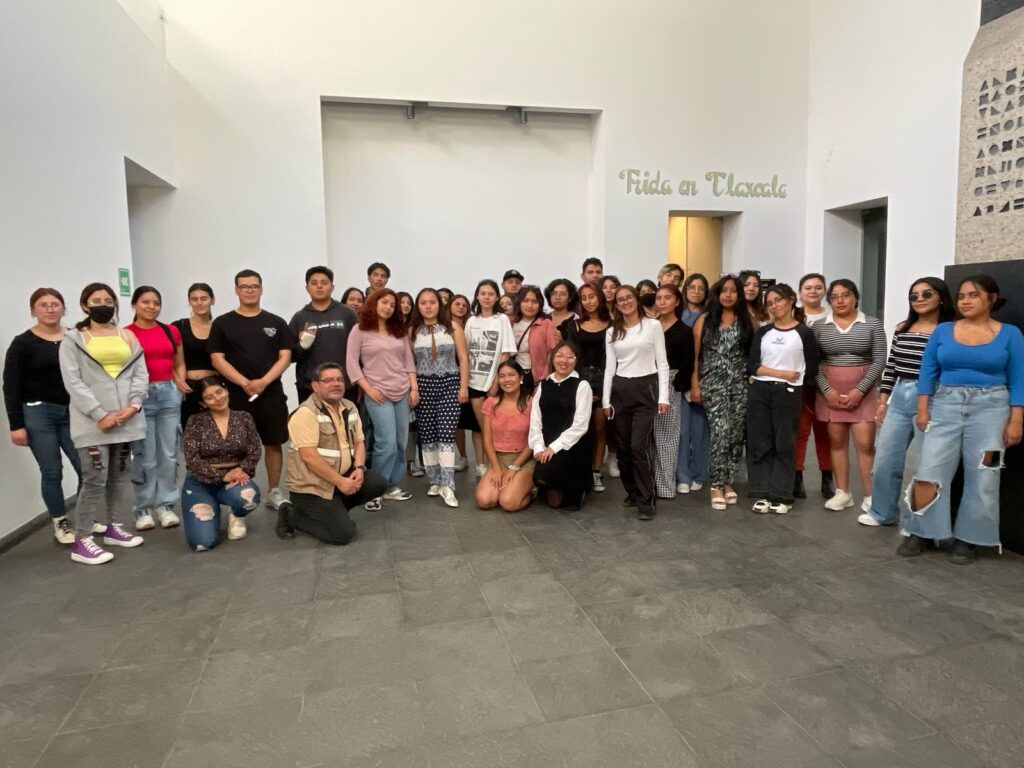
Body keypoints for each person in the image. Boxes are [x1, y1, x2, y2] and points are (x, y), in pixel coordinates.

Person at [901, 275, 1024, 563]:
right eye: (961, 296)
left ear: (992, 298)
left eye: (974, 295)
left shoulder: (1010, 334)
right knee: (929, 469)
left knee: (985, 474)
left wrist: (1016, 420)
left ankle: (970, 539)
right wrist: (923, 409)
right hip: (945, 404)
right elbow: (927, 371)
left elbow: (1019, 379)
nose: (966, 301)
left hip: (992, 409)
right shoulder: (943, 331)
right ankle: (921, 531)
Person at [58, 283, 147, 565]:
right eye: (96, 301)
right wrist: (99, 414)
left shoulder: (128, 336)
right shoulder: (73, 340)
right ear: (85, 305)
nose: (103, 305)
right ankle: (82, 540)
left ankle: (113, 528)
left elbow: (140, 373)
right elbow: (73, 382)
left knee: (120, 476)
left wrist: (133, 406)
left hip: (126, 420)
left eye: (108, 300)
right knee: (95, 479)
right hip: (93, 424)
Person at [859, 277, 954, 527]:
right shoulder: (903, 328)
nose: (919, 299)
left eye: (926, 294)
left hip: (933, 397)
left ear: (941, 297)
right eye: (914, 296)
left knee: (927, 463)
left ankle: (919, 522)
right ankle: (883, 512)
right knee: (885, 460)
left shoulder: (950, 331)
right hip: (900, 396)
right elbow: (891, 366)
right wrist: (883, 402)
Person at [208, 269, 294, 511]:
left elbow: (285, 357)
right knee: (235, 446)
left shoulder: (276, 322)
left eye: (254, 286)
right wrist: (245, 383)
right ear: (236, 290)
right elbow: (217, 359)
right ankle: (236, 492)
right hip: (236, 395)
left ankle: (274, 490)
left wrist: (263, 382)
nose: (249, 290)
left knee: (274, 442)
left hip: (271, 393)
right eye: (244, 286)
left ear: (261, 289)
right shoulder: (222, 323)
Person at [3, 288, 82, 543]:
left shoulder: (75, 338)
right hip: (38, 413)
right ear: (33, 310)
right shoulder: (22, 343)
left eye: (55, 304)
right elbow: (11, 386)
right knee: (52, 471)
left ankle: (86, 515)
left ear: (63, 308)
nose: (50, 309)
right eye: (43, 305)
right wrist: (16, 425)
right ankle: (61, 522)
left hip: (73, 413)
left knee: (86, 467)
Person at [283, 363, 389, 544]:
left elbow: (359, 442)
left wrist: (359, 468)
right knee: (342, 535)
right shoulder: (306, 413)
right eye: (328, 380)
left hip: (339, 477)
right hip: (312, 487)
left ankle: (334, 513)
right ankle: (292, 515)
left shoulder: (349, 406)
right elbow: (309, 457)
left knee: (377, 483)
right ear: (315, 386)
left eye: (339, 379)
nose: (336, 384)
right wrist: (340, 482)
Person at [813, 279, 886, 512]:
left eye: (845, 295)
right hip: (830, 392)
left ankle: (872, 495)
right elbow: (813, 362)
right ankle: (843, 492)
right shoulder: (819, 327)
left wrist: (860, 390)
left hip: (863, 392)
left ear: (855, 297)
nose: (840, 301)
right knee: (836, 443)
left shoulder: (872, 324)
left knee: (865, 444)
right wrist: (827, 390)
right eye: (834, 297)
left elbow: (879, 360)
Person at [746, 284, 819, 514]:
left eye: (778, 300)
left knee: (784, 443)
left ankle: (781, 494)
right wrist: (781, 373)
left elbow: (812, 368)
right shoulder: (763, 332)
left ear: (791, 300)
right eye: (769, 303)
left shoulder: (804, 333)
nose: (774, 306)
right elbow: (752, 365)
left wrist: (789, 380)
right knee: (760, 442)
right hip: (760, 391)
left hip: (788, 393)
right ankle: (761, 492)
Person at [604, 285, 670, 520]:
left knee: (638, 446)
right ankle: (632, 491)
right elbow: (610, 368)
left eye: (628, 298)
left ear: (637, 300)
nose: (625, 302)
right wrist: (605, 401)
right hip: (621, 391)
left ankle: (646, 499)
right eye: (620, 300)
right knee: (623, 448)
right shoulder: (612, 332)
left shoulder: (652, 326)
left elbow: (662, 363)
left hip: (646, 389)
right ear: (616, 305)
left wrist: (663, 397)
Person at [346, 288, 418, 506]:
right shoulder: (360, 330)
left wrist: (414, 388)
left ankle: (391, 485)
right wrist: (368, 389)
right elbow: (351, 362)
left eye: (392, 305)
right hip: (378, 394)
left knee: (400, 442)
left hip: (402, 391)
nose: (388, 307)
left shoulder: (399, 331)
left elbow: (408, 361)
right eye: (384, 302)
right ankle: (374, 490)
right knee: (385, 443)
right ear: (374, 303)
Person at [126, 286, 187, 530]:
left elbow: (179, 362)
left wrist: (180, 386)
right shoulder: (126, 334)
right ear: (134, 304)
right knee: (145, 456)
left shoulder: (170, 330)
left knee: (169, 454)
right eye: (145, 302)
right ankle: (143, 509)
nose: (151, 307)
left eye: (156, 302)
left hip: (168, 393)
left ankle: (166, 506)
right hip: (140, 397)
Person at [691, 276, 753, 510]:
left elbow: (750, 354)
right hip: (713, 382)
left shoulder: (746, 321)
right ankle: (716, 484)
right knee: (720, 431)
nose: (728, 295)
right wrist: (695, 384)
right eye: (724, 290)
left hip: (739, 383)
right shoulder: (705, 320)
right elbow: (695, 356)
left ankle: (728, 481)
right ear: (716, 294)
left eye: (733, 291)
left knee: (736, 434)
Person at [181, 376, 262, 550]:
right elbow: (192, 458)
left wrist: (242, 470)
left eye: (219, 392)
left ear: (226, 390)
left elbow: (255, 449)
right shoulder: (194, 422)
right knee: (202, 543)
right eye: (210, 397)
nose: (218, 398)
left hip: (235, 478)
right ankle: (211, 508)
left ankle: (237, 514)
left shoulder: (244, 417)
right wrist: (222, 476)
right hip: (201, 481)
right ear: (203, 403)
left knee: (249, 497)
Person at [410, 288, 469, 507]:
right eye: (423, 302)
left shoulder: (453, 327)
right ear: (418, 306)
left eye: (432, 302)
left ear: (440, 304)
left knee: (446, 432)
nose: (428, 306)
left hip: (449, 383)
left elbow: (463, 358)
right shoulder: (412, 331)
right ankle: (434, 480)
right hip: (423, 386)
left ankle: (448, 485)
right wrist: (413, 388)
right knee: (427, 434)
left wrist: (463, 387)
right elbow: (409, 363)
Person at [531, 341, 594, 510]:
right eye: (559, 356)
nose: (564, 361)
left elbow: (581, 425)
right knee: (552, 498)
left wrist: (554, 447)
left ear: (576, 360)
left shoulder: (582, 385)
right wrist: (538, 447)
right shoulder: (543, 385)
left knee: (568, 505)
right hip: (547, 444)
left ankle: (580, 487)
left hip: (571, 445)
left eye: (569, 357)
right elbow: (535, 420)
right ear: (552, 359)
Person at [564, 282, 612, 492]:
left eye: (591, 296)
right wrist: (582, 388)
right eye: (584, 298)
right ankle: (580, 471)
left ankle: (596, 472)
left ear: (600, 297)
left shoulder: (612, 324)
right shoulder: (574, 325)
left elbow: (613, 358)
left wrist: (601, 389)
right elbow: (571, 357)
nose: (588, 301)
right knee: (579, 428)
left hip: (604, 377)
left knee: (600, 429)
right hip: (581, 379)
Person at [465, 279, 516, 476]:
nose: (486, 297)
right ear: (477, 296)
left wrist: (496, 381)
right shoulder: (471, 321)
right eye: (483, 293)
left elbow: (506, 352)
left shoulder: (501, 319)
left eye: (491, 294)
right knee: (479, 427)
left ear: (496, 297)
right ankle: (482, 465)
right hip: (473, 382)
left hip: (493, 382)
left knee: (494, 426)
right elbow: (466, 352)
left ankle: (496, 465)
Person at [289, 266, 358, 404]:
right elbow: (291, 357)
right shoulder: (299, 318)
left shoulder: (347, 314)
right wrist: (304, 344)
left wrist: (360, 381)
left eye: (324, 283)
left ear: (332, 287)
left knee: (345, 419)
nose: (319, 286)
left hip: (344, 386)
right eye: (314, 283)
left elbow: (359, 351)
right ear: (307, 288)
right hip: (309, 387)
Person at [793, 273, 834, 499]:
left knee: (824, 431)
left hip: (826, 381)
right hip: (799, 382)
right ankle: (796, 477)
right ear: (800, 292)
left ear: (824, 291)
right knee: (800, 431)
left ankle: (827, 477)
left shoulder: (832, 316)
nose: (813, 291)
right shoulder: (793, 315)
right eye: (808, 287)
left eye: (818, 287)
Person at [476, 360, 536, 512]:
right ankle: (509, 488)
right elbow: (487, 440)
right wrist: (496, 468)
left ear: (520, 377)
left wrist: (513, 469)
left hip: (523, 460)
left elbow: (533, 441)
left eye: (511, 375)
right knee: (484, 500)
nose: (506, 379)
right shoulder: (490, 403)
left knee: (508, 503)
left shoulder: (531, 403)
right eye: (502, 376)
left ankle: (531, 491)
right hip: (498, 459)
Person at [653, 285, 694, 499]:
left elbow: (688, 363)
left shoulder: (684, 330)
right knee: (646, 436)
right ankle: (647, 485)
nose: (662, 302)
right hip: (646, 381)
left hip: (671, 383)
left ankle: (665, 487)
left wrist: (677, 385)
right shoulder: (650, 326)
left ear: (677, 301)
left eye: (667, 298)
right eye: (659, 298)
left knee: (668, 437)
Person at [678, 273, 710, 493]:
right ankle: (682, 475)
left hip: (704, 377)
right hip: (679, 379)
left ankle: (699, 473)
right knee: (681, 431)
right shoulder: (677, 314)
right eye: (692, 287)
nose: (696, 292)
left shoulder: (711, 316)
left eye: (701, 288)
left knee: (700, 431)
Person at [172, 283, 216, 427]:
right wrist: (179, 381)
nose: (199, 303)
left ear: (212, 300)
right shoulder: (179, 326)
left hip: (214, 388)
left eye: (204, 298)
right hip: (187, 388)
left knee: (215, 433)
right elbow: (168, 359)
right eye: (194, 299)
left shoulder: (220, 327)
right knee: (189, 431)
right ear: (189, 301)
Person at [512, 285, 558, 390]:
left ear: (540, 304)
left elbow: (552, 353)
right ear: (519, 302)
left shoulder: (546, 324)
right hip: (515, 373)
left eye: (534, 302)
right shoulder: (512, 324)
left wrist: (544, 378)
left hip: (538, 377)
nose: (530, 305)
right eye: (525, 301)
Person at [449, 293, 473, 471]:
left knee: (477, 421)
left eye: (464, 305)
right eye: (457, 304)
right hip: (453, 376)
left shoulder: (472, 324)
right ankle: (463, 456)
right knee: (457, 421)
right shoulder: (445, 327)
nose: (461, 307)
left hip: (476, 377)